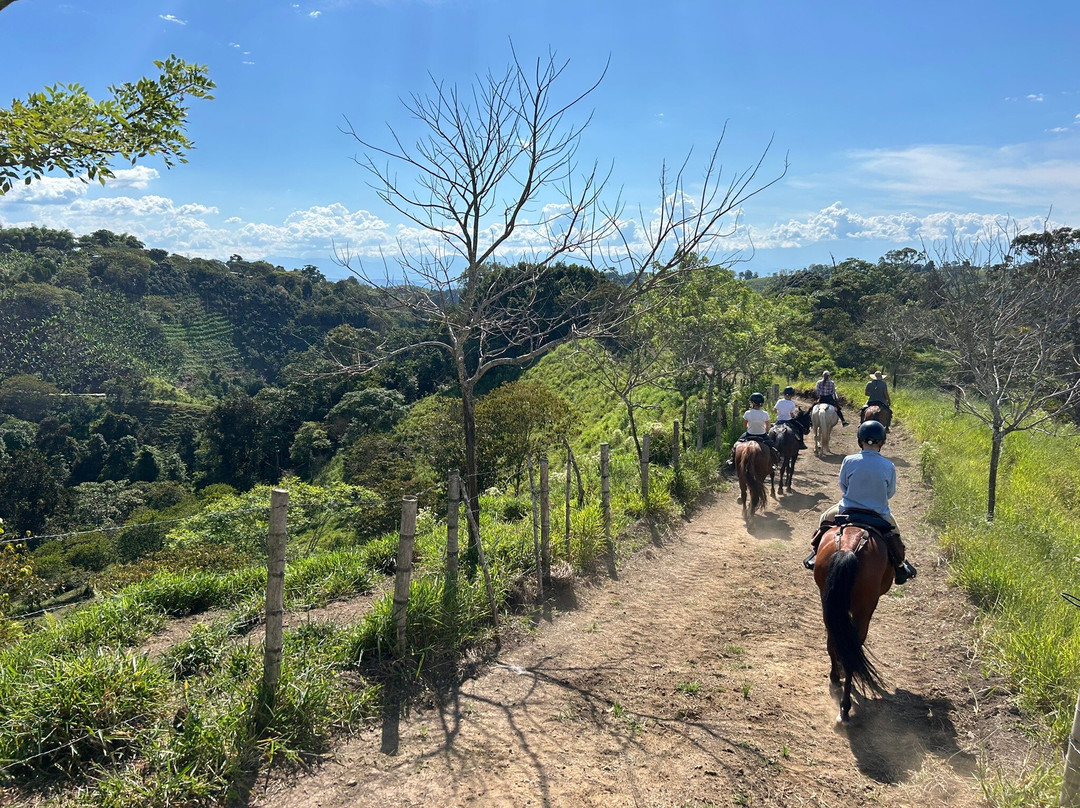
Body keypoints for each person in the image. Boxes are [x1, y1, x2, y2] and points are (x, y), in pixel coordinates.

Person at [801, 420, 917, 585]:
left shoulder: (849, 460)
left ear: (860, 440)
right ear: (882, 442)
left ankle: (815, 553)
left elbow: (843, 485)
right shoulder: (889, 465)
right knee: (895, 534)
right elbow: (890, 492)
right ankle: (900, 565)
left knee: (824, 518)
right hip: (879, 512)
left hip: (848, 509)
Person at [727, 392, 780, 466]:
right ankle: (774, 462)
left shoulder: (747, 413)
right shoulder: (765, 414)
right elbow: (767, 427)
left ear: (752, 403)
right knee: (772, 447)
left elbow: (745, 426)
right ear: (761, 403)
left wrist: (751, 427)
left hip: (749, 434)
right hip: (762, 435)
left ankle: (732, 460)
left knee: (736, 444)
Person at [774, 385, 807, 450]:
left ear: (784, 394)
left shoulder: (779, 401)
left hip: (779, 420)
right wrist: (793, 415)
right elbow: (792, 415)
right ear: (792, 395)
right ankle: (801, 443)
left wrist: (780, 413)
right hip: (788, 421)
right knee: (800, 428)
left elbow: (775, 410)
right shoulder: (792, 403)